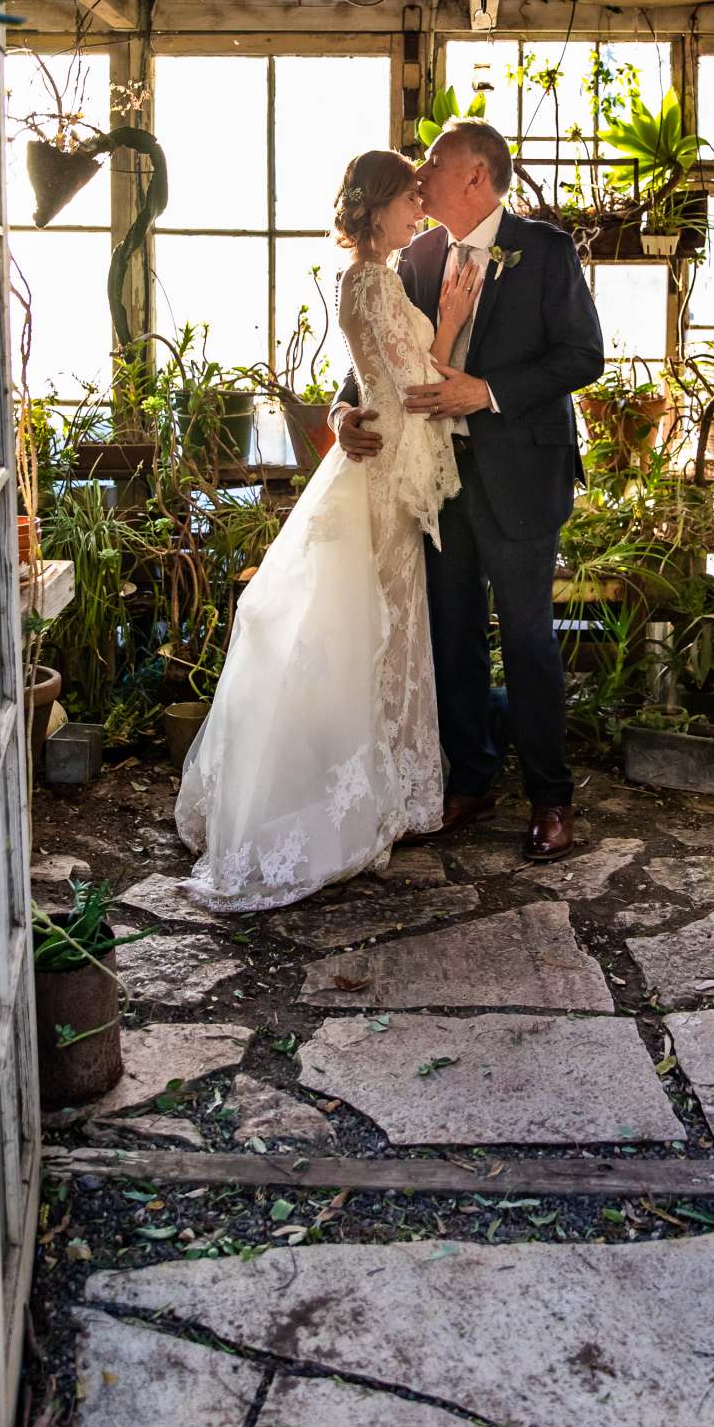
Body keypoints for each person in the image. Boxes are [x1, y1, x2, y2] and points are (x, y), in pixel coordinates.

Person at [175, 150, 482, 912]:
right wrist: (447, 325)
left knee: (368, 627)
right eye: (410, 200)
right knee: (368, 627)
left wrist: (372, 393)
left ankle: (367, 789)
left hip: (379, 461)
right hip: (383, 474)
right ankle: (346, 798)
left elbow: (384, 381)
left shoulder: (366, 279)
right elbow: (414, 387)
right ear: (377, 208)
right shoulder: (376, 282)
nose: (420, 211)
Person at [332, 120, 604, 860]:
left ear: (476, 175)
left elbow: (584, 356)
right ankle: (471, 780)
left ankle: (552, 799)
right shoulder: (414, 256)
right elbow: (375, 357)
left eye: (435, 161)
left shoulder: (544, 250)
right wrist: (340, 413)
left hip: (521, 474)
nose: (421, 173)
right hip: (435, 486)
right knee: (449, 638)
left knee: (526, 639)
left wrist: (488, 391)